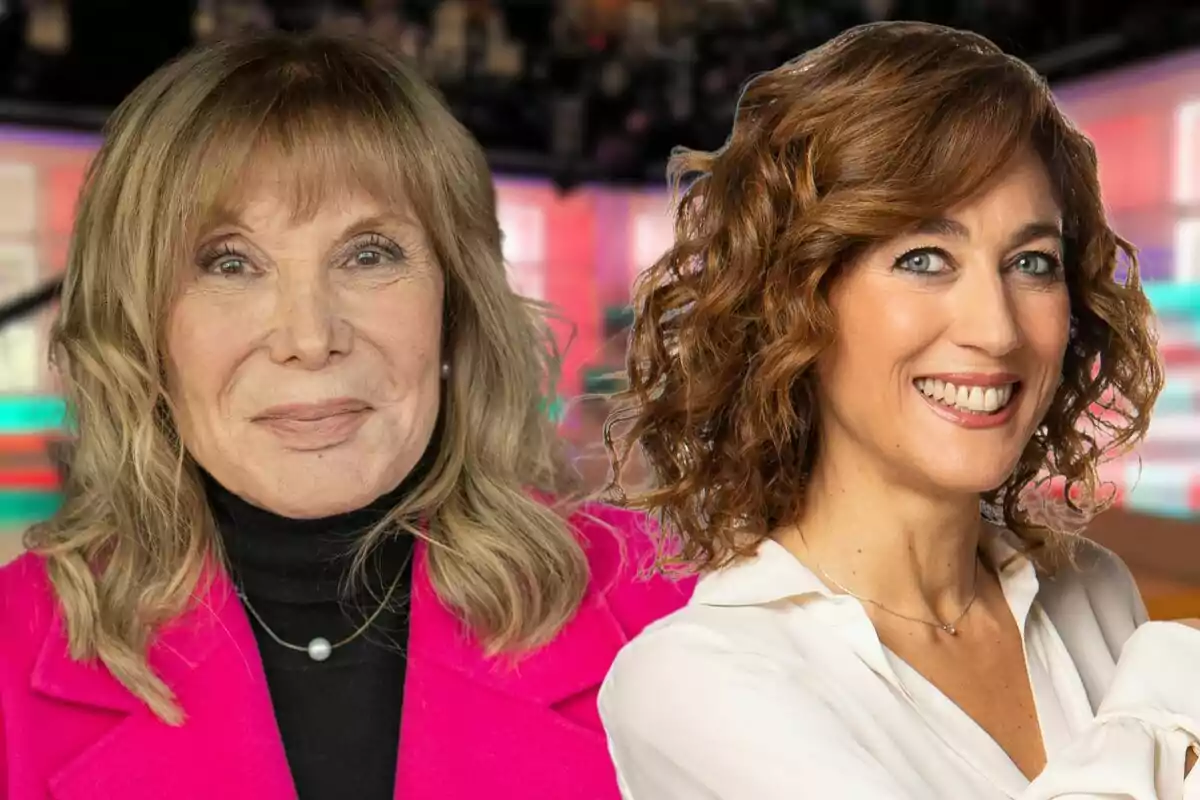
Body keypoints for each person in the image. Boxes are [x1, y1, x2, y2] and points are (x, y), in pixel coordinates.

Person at [0, 33, 690, 800]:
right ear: (141, 330)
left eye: (368, 255)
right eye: (230, 263)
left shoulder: (674, 609)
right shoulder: (10, 657)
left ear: (453, 302)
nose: (310, 338)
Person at [598, 21, 1200, 799]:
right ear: (794, 305)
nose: (996, 328)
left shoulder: (1092, 591)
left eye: (1031, 263)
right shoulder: (693, 682)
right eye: (923, 260)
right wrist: (1163, 700)